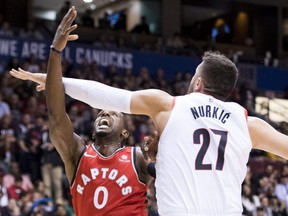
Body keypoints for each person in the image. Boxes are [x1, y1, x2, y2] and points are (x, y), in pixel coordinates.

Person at [10, 6, 288, 216]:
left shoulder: (169, 106)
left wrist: (52, 80)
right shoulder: (248, 123)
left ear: (199, 82)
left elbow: (104, 95)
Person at [11, 7, 157, 216]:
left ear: (125, 133)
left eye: (114, 114)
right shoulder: (77, 153)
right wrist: (55, 51)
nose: (105, 114)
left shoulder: (138, 157)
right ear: (93, 129)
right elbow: (56, 113)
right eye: (101, 113)